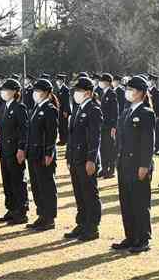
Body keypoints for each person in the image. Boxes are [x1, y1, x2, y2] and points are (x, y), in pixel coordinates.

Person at [112, 75, 155, 253]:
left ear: (141, 93)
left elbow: (148, 142)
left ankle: (143, 238)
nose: (128, 92)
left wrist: (144, 165)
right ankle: (130, 236)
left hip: (138, 164)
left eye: (132, 89)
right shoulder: (126, 111)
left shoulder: (146, 113)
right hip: (124, 163)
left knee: (140, 202)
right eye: (127, 89)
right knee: (126, 202)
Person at [64, 77, 103, 241]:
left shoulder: (93, 109)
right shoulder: (79, 108)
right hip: (75, 157)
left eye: (79, 90)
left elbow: (95, 137)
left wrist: (91, 159)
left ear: (88, 92)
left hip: (86, 158)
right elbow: (72, 135)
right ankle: (82, 223)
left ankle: (92, 226)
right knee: (79, 193)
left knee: (89, 193)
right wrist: (68, 156)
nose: (76, 93)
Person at [26, 78, 59, 231]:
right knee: (36, 185)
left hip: (43, 154)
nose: (35, 93)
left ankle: (49, 218)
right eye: (35, 90)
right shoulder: (37, 108)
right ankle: (41, 215)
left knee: (46, 185)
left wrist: (49, 153)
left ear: (46, 93)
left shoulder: (50, 109)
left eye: (38, 91)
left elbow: (52, 133)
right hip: (33, 153)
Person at [0, 79, 30, 225]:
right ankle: (11, 208)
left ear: (15, 92)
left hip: (15, 149)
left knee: (17, 180)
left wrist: (21, 148)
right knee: (7, 181)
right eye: (3, 89)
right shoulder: (4, 107)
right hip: (4, 149)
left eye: (7, 89)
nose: (4, 92)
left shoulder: (19, 108)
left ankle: (21, 211)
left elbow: (24, 130)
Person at [98, 73, 119, 179]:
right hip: (103, 125)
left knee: (110, 148)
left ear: (107, 82)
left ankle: (111, 169)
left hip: (109, 126)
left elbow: (115, 112)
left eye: (102, 81)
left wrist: (114, 127)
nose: (100, 83)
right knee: (103, 148)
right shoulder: (104, 93)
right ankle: (104, 168)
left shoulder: (112, 93)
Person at [147, 73, 159, 155]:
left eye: (150, 80)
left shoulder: (157, 92)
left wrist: (157, 115)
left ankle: (157, 148)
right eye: (148, 80)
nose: (149, 81)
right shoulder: (146, 91)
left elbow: (158, 105)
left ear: (153, 81)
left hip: (155, 116)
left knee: (156, 132)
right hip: (146, 115)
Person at [56, 74, 70, 146]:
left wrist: (65, 111)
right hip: (60, 110)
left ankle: (65, 140)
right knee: (60, 126)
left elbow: (66, 101)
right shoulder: (59, 88)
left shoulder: (65, 89)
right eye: (57, 80)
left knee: (64, 125)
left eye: (59, 80)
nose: (57, 81)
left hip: (64, 110)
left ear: (62, 81)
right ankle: (61, 139)